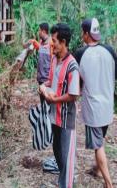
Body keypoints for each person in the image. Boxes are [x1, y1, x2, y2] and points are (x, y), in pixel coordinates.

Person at [74, 18, 117, 188]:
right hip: (108, 106)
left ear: (87, 34)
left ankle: (108, 184)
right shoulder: (109, 50)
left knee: (98, 145)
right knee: (100, 140)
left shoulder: (80, 54)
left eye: (82, 32)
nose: (81, 35)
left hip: (93, 108)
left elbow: (75, 81)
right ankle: (96, 168)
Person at [39, 23, 80, 188]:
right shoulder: (55, 59)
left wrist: (54, 100)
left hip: (65, 120)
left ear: (63, 42)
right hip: (54, 116)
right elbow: (50, 81)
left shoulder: (72, 66)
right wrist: (43, 87)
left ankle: (67, 183)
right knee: (58, 154)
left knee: (67, 159)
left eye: (54, 40)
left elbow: (73, 94)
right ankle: (64, 181)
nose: (51, 44)